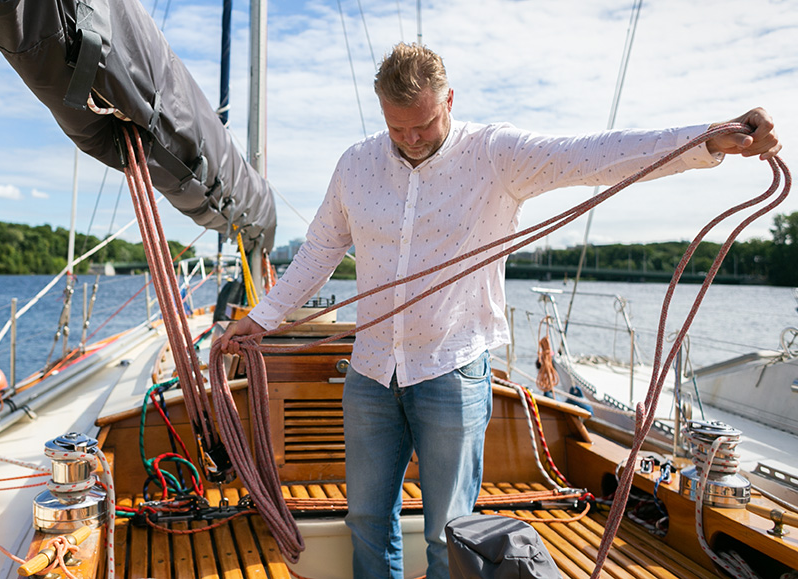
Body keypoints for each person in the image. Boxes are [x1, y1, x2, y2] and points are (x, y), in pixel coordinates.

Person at [217, 42, 781, 579]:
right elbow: (319, 250)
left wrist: (707, 140)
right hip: (369, 372)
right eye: (396, 128)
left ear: (450, 100)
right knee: (365, 519)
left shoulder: (495, 154)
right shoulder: (356, 165)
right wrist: (261, 318)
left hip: (452, 370)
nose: (410, 140)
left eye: (423, 125)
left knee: (449, 531)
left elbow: (595, 154)